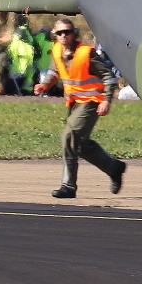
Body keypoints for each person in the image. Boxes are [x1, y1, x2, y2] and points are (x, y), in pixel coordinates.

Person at [36, 17, 126, 196]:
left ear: (74, 34)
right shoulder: (56, 51)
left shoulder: (87, 53)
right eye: (59, 33)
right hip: (74, 103)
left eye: (67, 32)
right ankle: (114, 167)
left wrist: (106, 100)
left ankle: (68, 186)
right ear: (55, 35)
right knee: (80, 145)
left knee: (69, 136)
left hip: (91, 102)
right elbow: (55, 71)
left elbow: (109, 77)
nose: (63, 36)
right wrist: (45, 84)